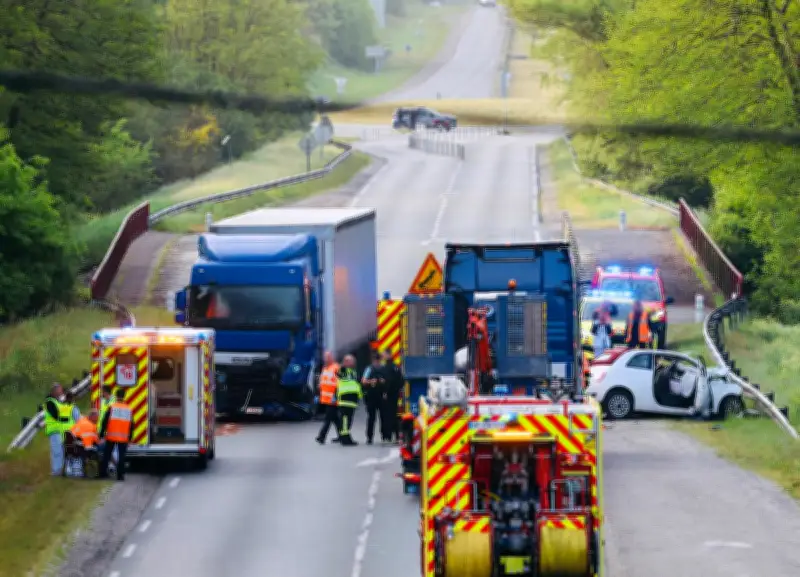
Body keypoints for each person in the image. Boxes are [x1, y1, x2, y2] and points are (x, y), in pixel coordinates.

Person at [98, 394, 134, 480]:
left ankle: (103, 473)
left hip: (111, 436)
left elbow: (105, 421)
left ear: (117, 397)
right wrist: (130, 438)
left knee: (107, 455)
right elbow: (131, 425)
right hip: (123, 437)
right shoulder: (128, 409)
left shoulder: (112, 407)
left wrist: (101, 434)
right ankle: (120, 476)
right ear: (124, 397)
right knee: (121, 456)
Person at [43, 383, 70, 476]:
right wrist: (65, 418)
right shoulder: (50, 402)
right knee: (57, 452)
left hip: (60, 431)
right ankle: (56, 472)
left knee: (61, 452)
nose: (61, 392)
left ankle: (60, 471)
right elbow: (55, 415)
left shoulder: (57, 401)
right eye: (60, 390)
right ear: (54, 391)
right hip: (54, 431)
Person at [316, 351, 342, 444]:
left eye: (328, 357)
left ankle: (321, 437)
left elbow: (339, 382)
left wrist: (336, 395)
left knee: (328, 418)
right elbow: (323, 380)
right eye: (325, 357)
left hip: (333, 397)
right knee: (335, 419)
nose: (326, 359)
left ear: (332, 358)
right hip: (326, 398)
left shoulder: (336, 368)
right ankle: (342, 435)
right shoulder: (325, 368)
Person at [336, 355, 362, 446]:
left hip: (352, 400)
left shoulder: (353, 372)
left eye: (353, 361)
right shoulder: (343, 370)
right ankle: (345, 439)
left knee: (349, 420)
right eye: (351, 361)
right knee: (345, 420)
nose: (353, 363)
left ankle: (347, 437)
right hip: (345, 399)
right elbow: (339, 373)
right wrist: (344, 364)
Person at [380, 350, 404, 443]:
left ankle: (388, 436)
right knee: (395, 415)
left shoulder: (387, 367)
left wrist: (385, 392)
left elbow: (387, 381)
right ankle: (397, 436)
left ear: (389, 355)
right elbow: (401, 381)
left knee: (387, 416)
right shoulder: (395, 367)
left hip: (389, 395)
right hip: (395, 395)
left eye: (384, 354)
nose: (383, 356)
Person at [361, 354, 386, 444]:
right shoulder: (369, 369)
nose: (377, 362)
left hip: (381, 396)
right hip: (371, 396)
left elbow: (388, 380)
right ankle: (369, 437)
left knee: (383, 417)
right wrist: (371, 381)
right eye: (376, 360)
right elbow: (363, 381)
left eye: (378, 360)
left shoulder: (384, 369)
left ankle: (384, 436)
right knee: (371, 418)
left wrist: (383, 381)